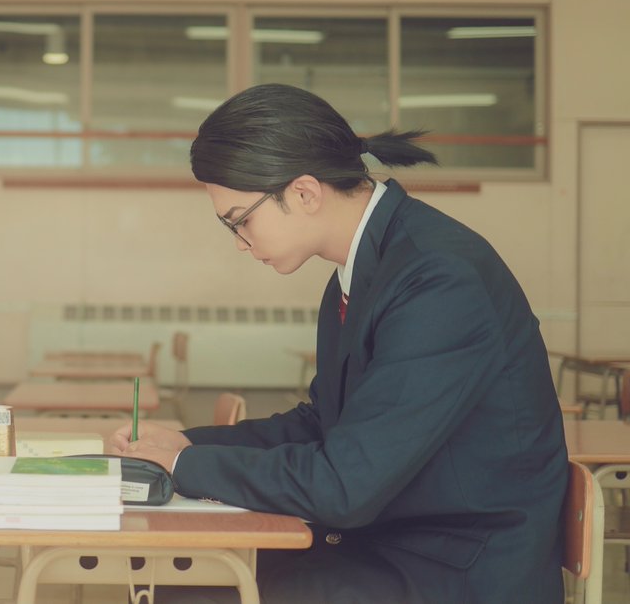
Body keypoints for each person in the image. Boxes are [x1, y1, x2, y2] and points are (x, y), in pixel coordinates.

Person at [110, 84, 567, 604]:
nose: (240, 243)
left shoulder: (438, 278)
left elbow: (346, 485)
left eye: (241, 220)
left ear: (304, 193)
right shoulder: (368, 267)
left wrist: (184, 467)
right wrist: (187, 444)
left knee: (195, 587)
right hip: (396, 538)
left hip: (459, 568)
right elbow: (323, 422)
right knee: (182, 574)